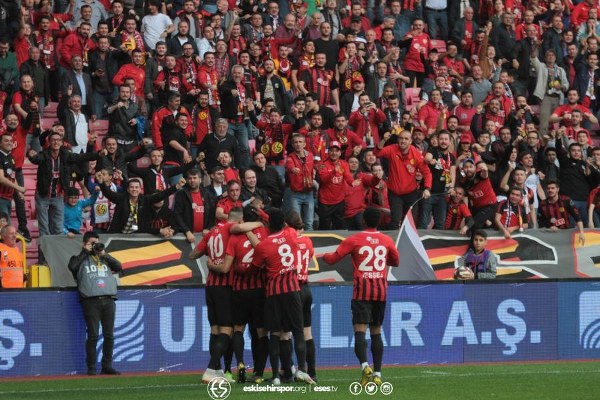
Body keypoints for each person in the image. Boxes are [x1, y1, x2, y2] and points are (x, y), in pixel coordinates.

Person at [322, 208, 399, 386]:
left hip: (362, 292)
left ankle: (365, 366)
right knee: (376, 332)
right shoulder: (386, 240)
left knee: (359, 331)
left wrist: (321, 255)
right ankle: (378, 374)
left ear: (363, 221)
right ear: (378, 222)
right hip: (380, 292)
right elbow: (396, 261)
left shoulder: (355, 239)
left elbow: (333, 258)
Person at [246, 208, 315, 385]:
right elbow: (285, 224)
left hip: (274, 293)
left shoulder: (263, 246)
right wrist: (265, 214)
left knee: (275, 334)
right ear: (284, 224)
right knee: (298, 331)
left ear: (269, 225)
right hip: (292, 290)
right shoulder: (291, 234)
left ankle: (276, 375)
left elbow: (254, 268)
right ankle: (302, 370)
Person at [68, 231, 123, 375]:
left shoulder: (103, 258)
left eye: (97, 243)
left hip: (109, 299)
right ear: (85, 243)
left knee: (109, 335)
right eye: (92, 243)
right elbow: (72, 267)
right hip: (91, 301)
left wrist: (104, 253)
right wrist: (84, 252)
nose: (95, 246)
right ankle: (91, 368)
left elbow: (118, 266)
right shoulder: (79, 259)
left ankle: (107, 366)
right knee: (93, 335)